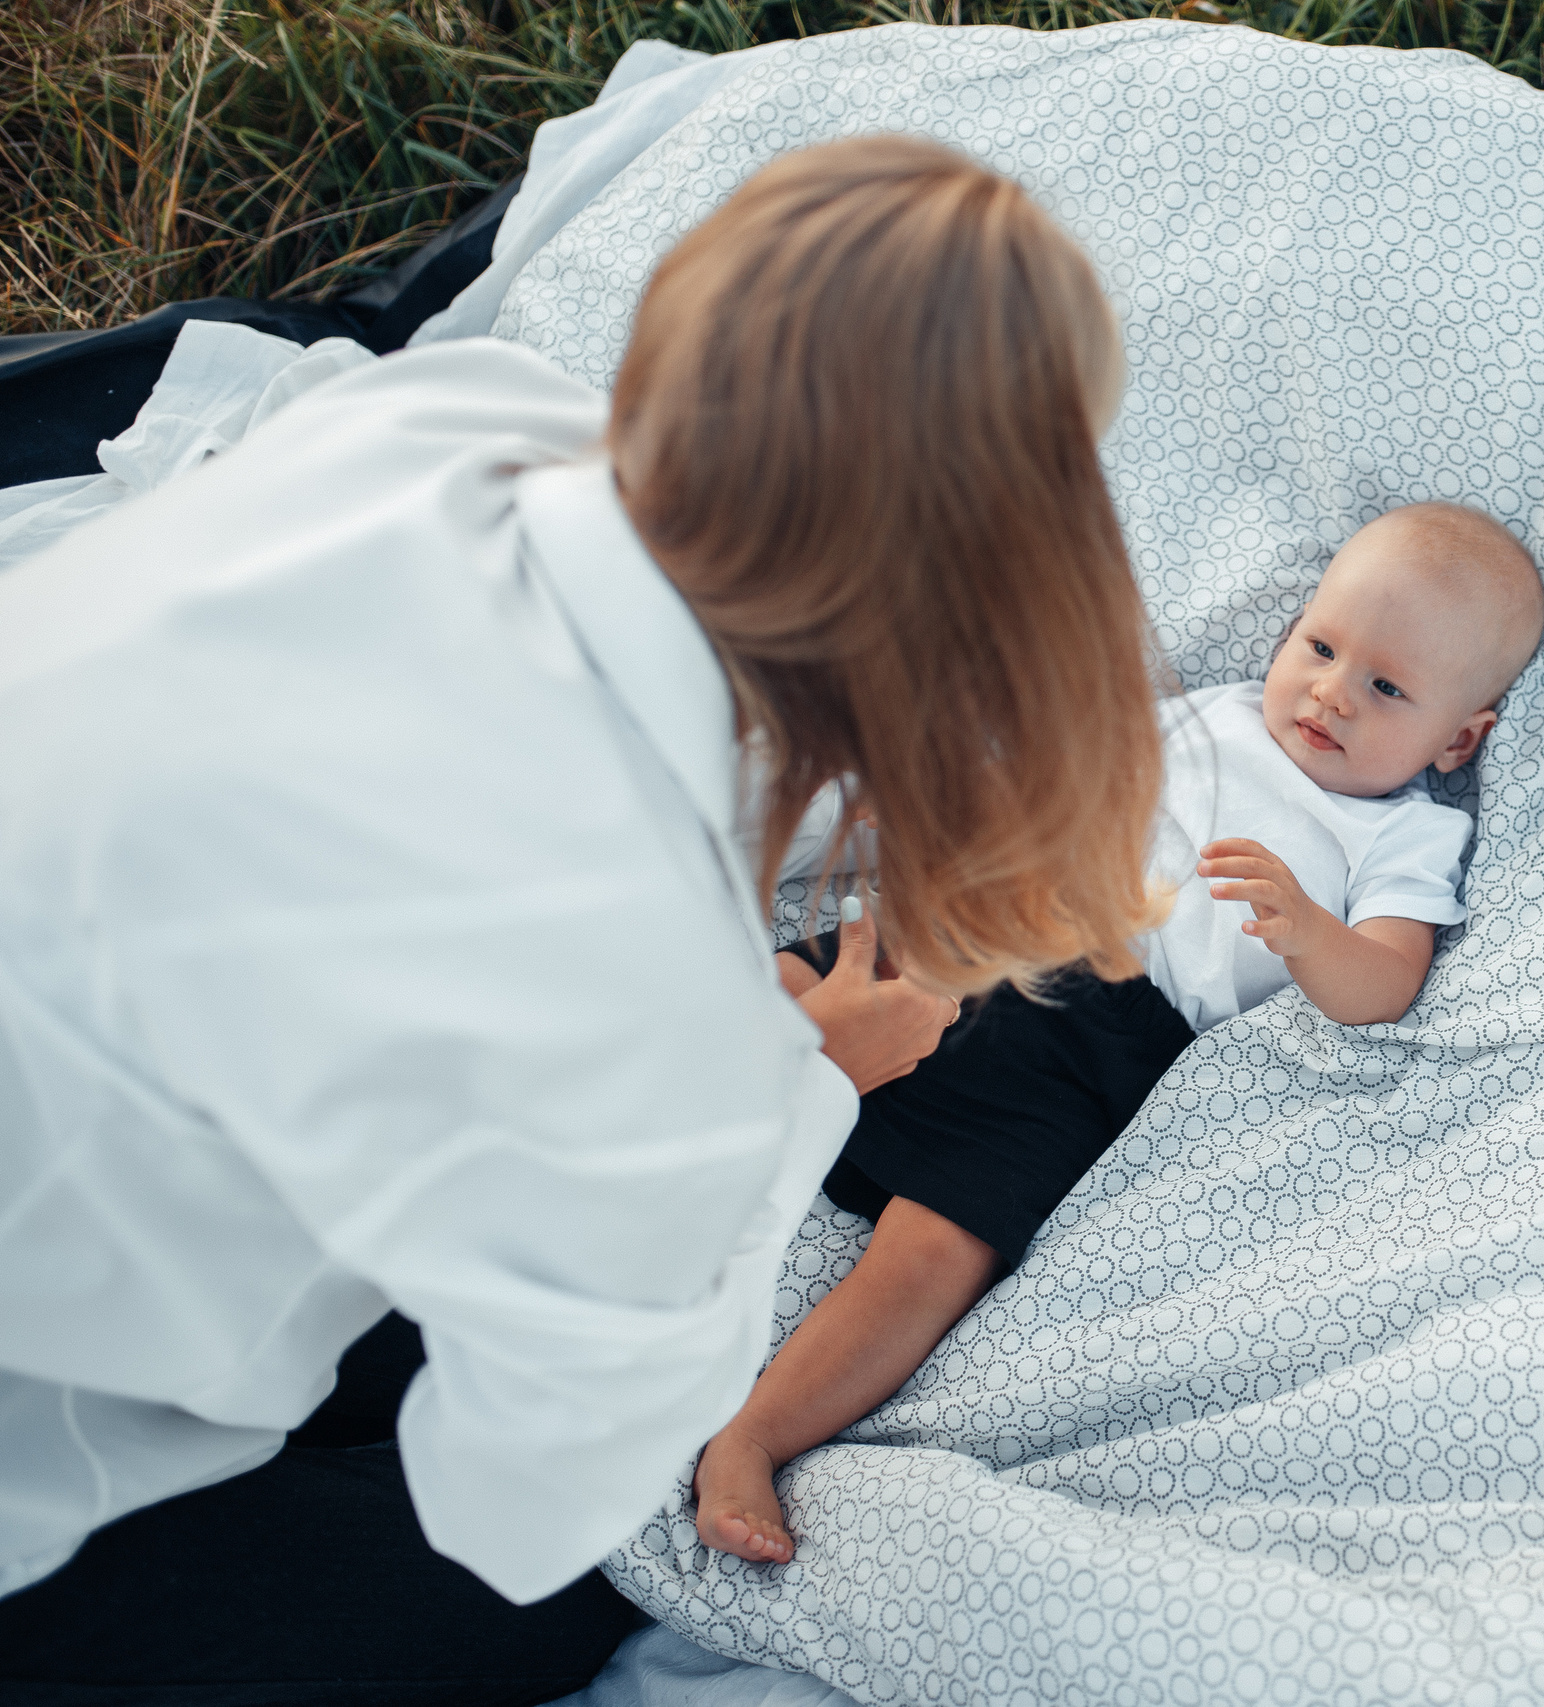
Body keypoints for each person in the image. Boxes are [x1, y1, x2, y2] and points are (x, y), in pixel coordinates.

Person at [0, 137, 1162, 1706]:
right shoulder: (644, 994)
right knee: (554, 1580)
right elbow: (519, 1485)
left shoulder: (450, 417)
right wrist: (801, 1074)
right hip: (45, 1452)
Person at [692, 501, 1544, 1564]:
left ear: (1458, 736)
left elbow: (1379, 986)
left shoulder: (1404, 831)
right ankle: (648, 1125)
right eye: (1320, 646)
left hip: (1101, 1044)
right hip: (1001, 926)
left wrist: (1306, 931)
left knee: (941, 1247)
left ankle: (753, 1439)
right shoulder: (1216, 715)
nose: (1329, 691)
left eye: (1385, 688)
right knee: (779, 979)